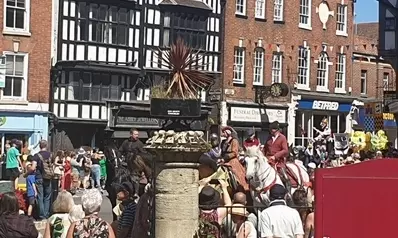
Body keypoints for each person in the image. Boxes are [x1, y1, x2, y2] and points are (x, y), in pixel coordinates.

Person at [263, 121, 290, 191]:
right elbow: (265, 149)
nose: (271, 131)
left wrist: (275, 156)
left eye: (272, 129)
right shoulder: (269, 138)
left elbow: (285, 150)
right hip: (268, 160)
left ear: (276, 130)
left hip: (278, 162)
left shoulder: (282, 138)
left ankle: (287, 192)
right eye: (270, 129)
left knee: (285, 177)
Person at [220, 126, 249, 191]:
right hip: (223, 160)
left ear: (227, 132)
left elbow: (235, 153)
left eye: (224, 132)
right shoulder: (223, 141)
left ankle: (242, 188)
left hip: (232, 161)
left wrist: (225, 158)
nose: (223, 133)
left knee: (238, 176)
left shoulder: (234, 141)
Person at [33, 140, 53, 220]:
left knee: (40, 196)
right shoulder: (51, 155)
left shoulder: (36, 155)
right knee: (47, 196)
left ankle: (41, 216)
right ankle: (46, 214)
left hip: (39, 177)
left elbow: (33, 167)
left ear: (39, 146)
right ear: (47, 145)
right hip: (48, 177)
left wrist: (26, 174)